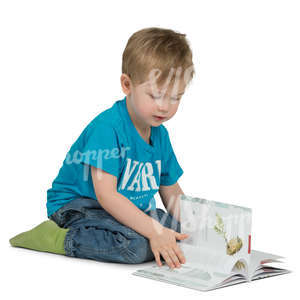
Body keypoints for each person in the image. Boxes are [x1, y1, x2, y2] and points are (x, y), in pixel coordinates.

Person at [9, 27, 195, 270]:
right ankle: (59, 238)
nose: (165, 107)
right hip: (80, 205)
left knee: (181, 231)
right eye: (155, 95)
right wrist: (153, 232)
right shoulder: (108, 128)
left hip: (123, 209)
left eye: (175, 98)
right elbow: (107, 196)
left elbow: (171, 191)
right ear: (127, 85)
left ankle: (158, 233)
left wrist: (198, 226)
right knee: (135, 246)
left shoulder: (160, 134)